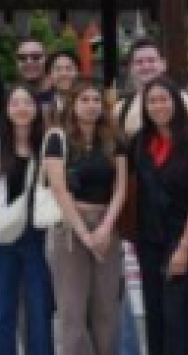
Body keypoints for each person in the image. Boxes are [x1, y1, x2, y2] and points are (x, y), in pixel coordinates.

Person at [44, 78, 128, 355]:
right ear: (72, 104)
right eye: (84, 100)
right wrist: (84, 234)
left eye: (96, 100)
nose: (91, 106)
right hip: (70, 227)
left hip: (107, 224)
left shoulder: (114, 139)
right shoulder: (57, 138)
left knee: (106, 310)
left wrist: (105, 229)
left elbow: (121, 189)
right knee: (73, 311)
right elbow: (58, 188)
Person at [0, 83, 53, 355]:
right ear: (6, 109)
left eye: (27, 103)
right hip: (1, 236)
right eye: (15, 103)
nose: (21, 108)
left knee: (39, 311)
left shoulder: (48, 146)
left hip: (39, 236)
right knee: (0, 311)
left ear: (36, 109)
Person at [130, 78, 188, 355]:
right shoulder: (139, 142)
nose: (158, 106)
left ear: (176, 102)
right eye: (152, 101)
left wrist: (185, 247)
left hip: (182, 239)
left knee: (180, 318)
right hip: (148, 240)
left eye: (164, 99)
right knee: (156, 316)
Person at [117, 40, 188, 136]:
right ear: (131, 68)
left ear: (163, 64)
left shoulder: (183, 100)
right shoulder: (121, 109)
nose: (146, 66)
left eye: (151, 60)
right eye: (139, 62)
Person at [16, 39, 57, 108]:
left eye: (36, 57)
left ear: (48, 60)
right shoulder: (11, 97)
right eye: (22, 58)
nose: (29, 62)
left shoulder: (63, 96)